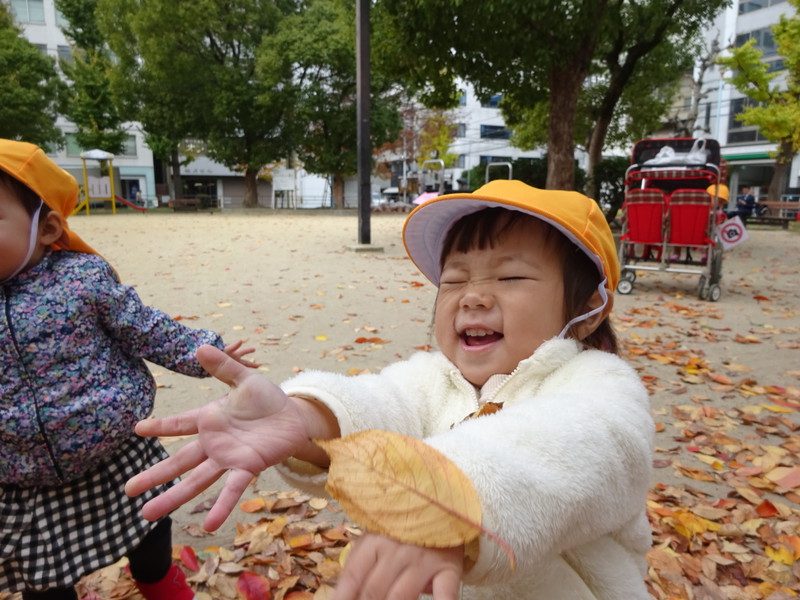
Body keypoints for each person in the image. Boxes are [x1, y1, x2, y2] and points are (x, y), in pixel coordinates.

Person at [127, 180, 654, 600]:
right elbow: (377, 406)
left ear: (588, 310)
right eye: (454, 280)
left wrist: (446, 505)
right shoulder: (431, 379)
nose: (472, 297)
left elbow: (575, 444)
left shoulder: (601, 388)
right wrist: (303, 419)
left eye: (510, 278)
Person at [0, 139, 257, 600]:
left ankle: (160, 584)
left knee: (150, 534)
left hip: (115, 454)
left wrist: (209, 354)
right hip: (23, 479)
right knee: (43, 581)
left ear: (47, 227)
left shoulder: (81, 279)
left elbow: (145, 328)